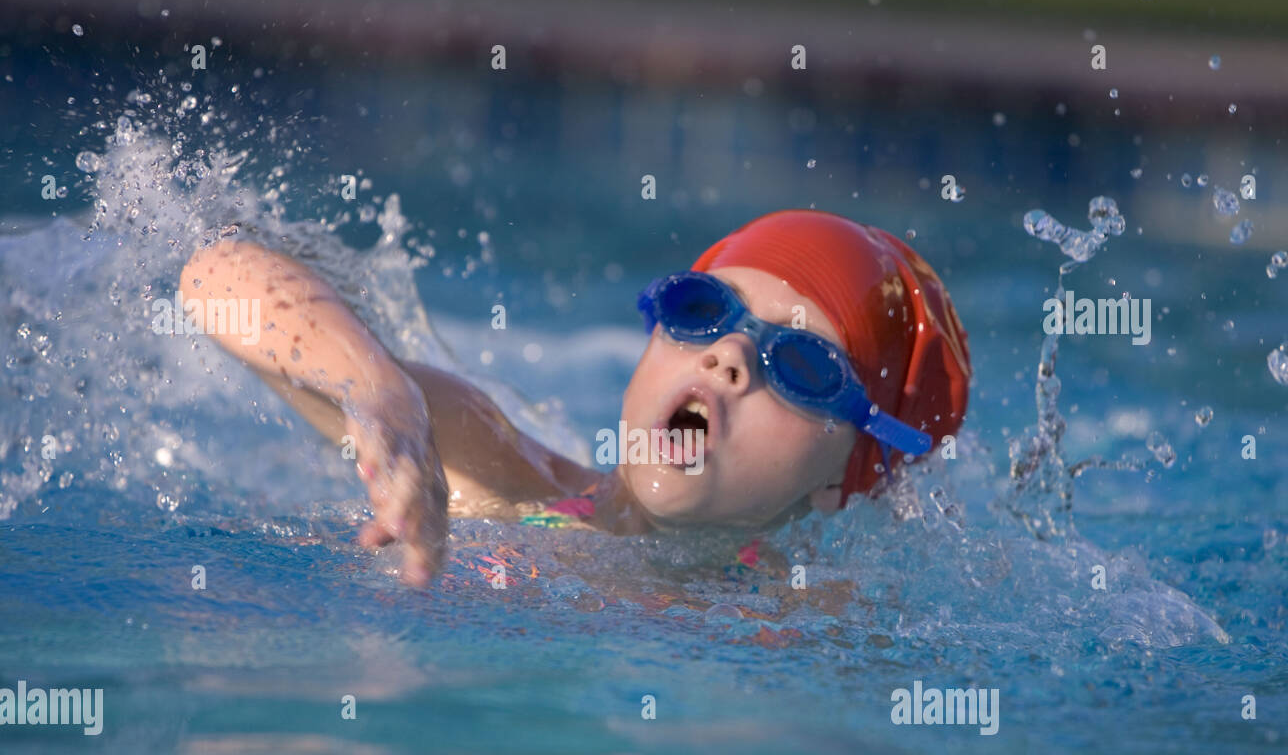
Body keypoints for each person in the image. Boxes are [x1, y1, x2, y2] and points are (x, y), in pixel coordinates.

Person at [180, 208, 972, 587]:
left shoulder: (818, 626)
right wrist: (378, 387)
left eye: (802, 363)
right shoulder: (497, 478)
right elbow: (213, 277)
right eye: (704, 311)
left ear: (844, 479)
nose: (731, 355)